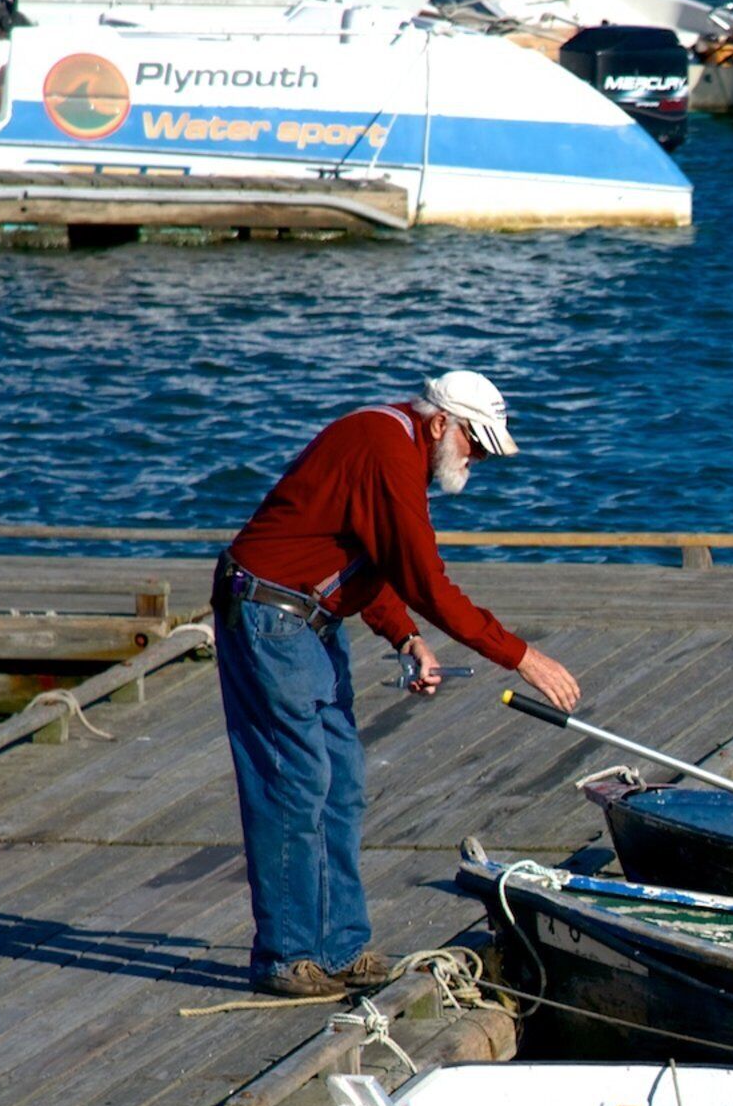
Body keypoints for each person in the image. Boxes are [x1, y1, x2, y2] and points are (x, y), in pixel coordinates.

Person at [211, 370, 584, 998]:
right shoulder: (388, 448)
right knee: (295, 783)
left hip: (310, 618)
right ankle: (285, 956)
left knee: (342, 784)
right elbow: (425, 579)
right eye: (476, 443)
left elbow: (371, 553)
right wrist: (522, 658)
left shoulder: (399, 447)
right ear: (443, 423)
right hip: (269, 613)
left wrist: (403, 636)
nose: (479, 459)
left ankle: (339, 949)